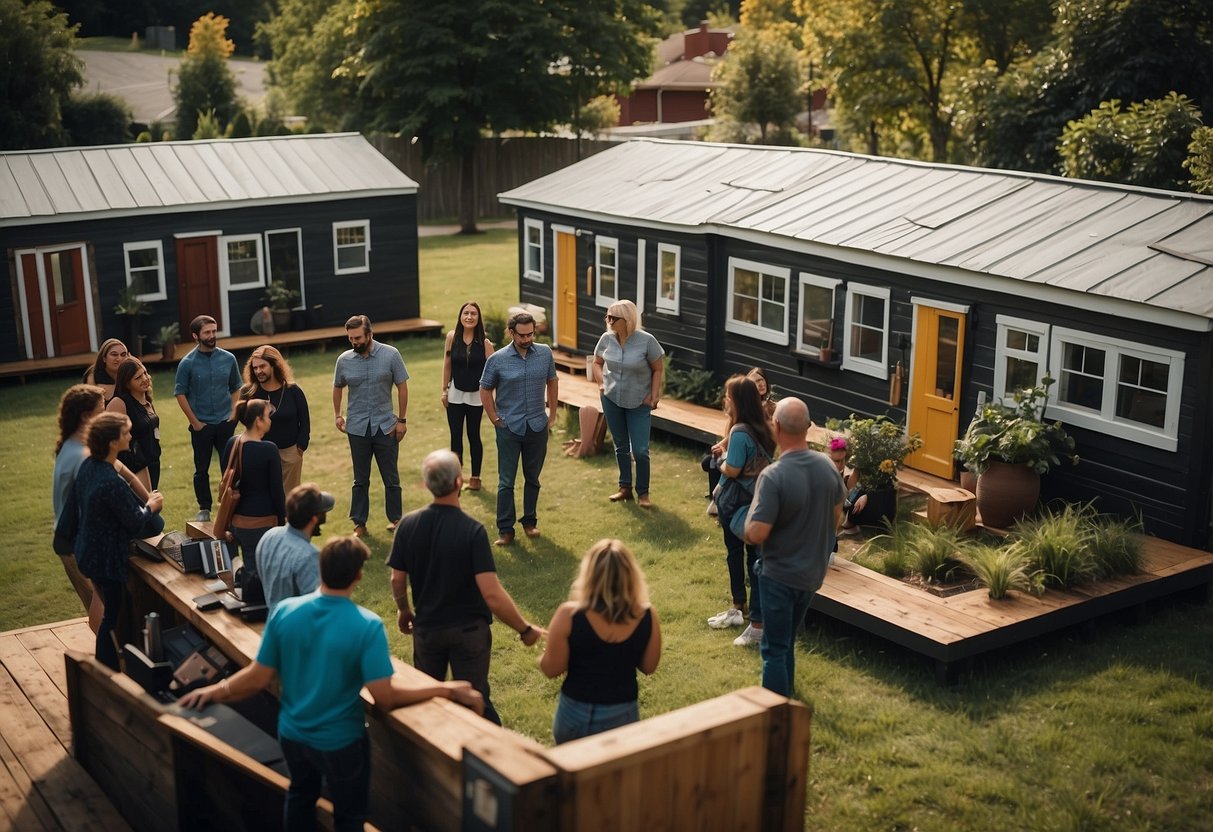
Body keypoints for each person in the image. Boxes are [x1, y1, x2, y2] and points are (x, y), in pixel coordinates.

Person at [179, 535, 483, 831]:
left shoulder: (285, 611)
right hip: (341, 744)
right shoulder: (366, 625)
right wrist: (445, 688)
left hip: (293, 736)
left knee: (300, 798)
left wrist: (213, 691)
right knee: (349, 819)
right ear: (358, 576)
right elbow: (385, 697)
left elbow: (258, 676)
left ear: (322, 569)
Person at [388, 450, 544, 725]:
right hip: (469, 633)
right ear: (459, 483)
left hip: (427, 630)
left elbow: (397, 580)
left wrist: (404, 610)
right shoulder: (471, 530)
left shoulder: (408, 525)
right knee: (475, 701)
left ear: (426, 484)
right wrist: (525, 629)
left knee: (428, 701)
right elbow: (492, 594)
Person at [744, 397, 846, 697]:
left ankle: (774, 716)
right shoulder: (828, 466)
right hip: (812, 575)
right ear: (808, 427)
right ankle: (787, 700)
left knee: (773, 648)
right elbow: (838, 511)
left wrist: (746, 525)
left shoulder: (774, 476)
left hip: (780, 576)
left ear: (776, 426)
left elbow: (757, 532)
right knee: (786, 640)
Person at [62, 412, 164, 669]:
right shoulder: (111, 482)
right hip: (106, 561)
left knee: (110, 610)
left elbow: (74, 509)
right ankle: (106, 670)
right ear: (112, 442)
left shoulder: (88, 466)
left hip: (86, 553)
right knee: (113, 617)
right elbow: (136, 521)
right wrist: (151, 505)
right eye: (126, 432)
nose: (131, 435)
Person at [539, 539, 662, 743]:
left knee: (572, 772)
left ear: (589, 574)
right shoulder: (647, 614)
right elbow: (649, 666)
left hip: (574, 712)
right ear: (630, 574)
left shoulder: (568, 614)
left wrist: (545, 649)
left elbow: (551, 669)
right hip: (623, 711)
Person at [52, 385, 151, 630]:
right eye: (102, 408)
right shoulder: (84, 456)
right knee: (103, 611)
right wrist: (148, 506)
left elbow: (124, 471)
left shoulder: (76, 446)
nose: (107, 412)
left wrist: (146, 495)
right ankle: (106, 659)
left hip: (70, 538)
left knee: (102, 607)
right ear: (86, 416)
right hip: (79, 542)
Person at [706, 375, 775, 649]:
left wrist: (719, 460)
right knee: (754, 558)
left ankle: (739, 609)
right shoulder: (763, 428)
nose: (725, 400)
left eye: (728, 395)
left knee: (735, 553)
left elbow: (733, 469)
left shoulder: (739, 431)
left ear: (736, 401)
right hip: (759, 502)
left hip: (736, 504)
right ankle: (752, 616)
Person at [479, 311, 558, 546]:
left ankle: (530, 522)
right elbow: (485, 388)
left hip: (536, 425)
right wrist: (494, 417)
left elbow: (552, 381)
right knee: (506, 481)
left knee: (532, 477)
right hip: (509, 427)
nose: (526, 339)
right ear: (511, 333)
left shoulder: (544, 353)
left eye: (530, 334)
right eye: (522, 335)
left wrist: (551, 415)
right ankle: (506, 529)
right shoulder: (497, 359)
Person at [332, 315, 409, 538]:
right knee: (360, 479)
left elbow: (402, 388)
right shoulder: (344, 360)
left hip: (386, 426)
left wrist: (402, 421)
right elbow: (337, 387)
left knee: (391, 478)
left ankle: (396, 520)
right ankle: (359, 524)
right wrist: (338, 415)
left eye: (357, 337)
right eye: (350, 339)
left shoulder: (391, 355)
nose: (354, 342)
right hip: (357, 428)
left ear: (370, 335)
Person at [592, 300, 664, 508]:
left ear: (629, 320)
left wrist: (654, 395)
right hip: (611, 398)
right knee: (620, 446)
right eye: (608, 316)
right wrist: (601, 385)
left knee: (640, 450)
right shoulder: (606, 339)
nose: (609, 321)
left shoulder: (647, 341)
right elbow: (597, 363)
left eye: (614, 318)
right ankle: (625, 488)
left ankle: (643, 492)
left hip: (639, 401)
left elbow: (658, 368)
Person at [174, 315, 241, 521]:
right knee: (201, 468)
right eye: (207, 332)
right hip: (201, 425)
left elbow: (236, 387)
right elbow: (180, 393)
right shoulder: (187, 364)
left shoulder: (229, 359)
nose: (212, 336)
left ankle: (229, 505)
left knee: (229, 467)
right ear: (196, 336)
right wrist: (195, 423)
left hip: (225, 422)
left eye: (214, 331)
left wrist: (233, 414)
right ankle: (204, 507)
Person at [221, 398, 286, 576]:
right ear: (259, 421)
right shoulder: (269, 449)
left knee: (250, 571)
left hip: (236, 523)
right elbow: (277, 492)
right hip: (262, 524)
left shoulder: (232, 443)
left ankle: (241, 579)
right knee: (261, 577)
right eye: (267, 416)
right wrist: (282, 522)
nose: (270, 420)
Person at [241, 345, 311, 494]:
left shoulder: (293, 391)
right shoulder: (248, 392)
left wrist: (301, 446)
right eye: (255, 368)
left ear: (274, 365)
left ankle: (288, 519)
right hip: (260, 452)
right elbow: (242, 419)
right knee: (265, 494)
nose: (258, 371)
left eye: (262, 366)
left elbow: (304, 419)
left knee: (290, 496)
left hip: (290, 452)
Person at [441, 302, 495, 492]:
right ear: (460, 316)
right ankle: (456, 479)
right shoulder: (451, 337)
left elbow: (494, 370)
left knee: (474, 435)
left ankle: (475, 478)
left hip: (476, 397)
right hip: (455, 394)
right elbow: (447, 364)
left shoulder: (486, 343)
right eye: (466, 313)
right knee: (455, 436)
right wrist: (444, 389)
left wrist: (490, 393)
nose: (469, 317)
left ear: (478, 318)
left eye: (473, 313)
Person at [257, 483, 334, 613]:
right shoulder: (309, 556)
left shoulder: (269, 536)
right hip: (298, 631)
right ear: (314, 519)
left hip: (272, 622)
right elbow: (316, 609)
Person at [704, 366, 776, 502]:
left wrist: (720, 459)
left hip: (747, 483)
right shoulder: (743, 420)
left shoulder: (770, 411)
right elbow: (730, 437)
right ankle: (716, 498)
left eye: (761, 380)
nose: (760, 384)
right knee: (709, 461)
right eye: (755, 382)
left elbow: (733, 470)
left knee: (713, 463)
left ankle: (719, 500)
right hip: (754, 476)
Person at [105, 358, 161, 490]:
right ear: (127, 383)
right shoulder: (119, 403)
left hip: (153, 462)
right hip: (134, 466)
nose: (145, 378)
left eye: (145, 373)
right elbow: (111, 439)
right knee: (144, 506)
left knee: (151, 504)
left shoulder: (147, 401)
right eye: (138, 378)